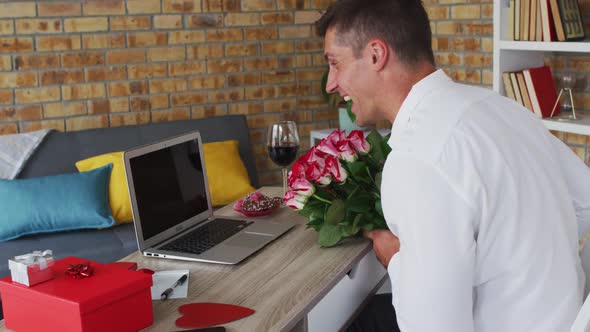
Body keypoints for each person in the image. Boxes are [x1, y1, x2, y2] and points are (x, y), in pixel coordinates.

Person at [316, 0, 590, 331]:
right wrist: (516, 253)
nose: (331, 83)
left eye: (336, 63)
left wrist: (398, 261)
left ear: (376, 55)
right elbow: (585, 201)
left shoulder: (418, 157)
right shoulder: (502, 107)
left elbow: (434, 326)